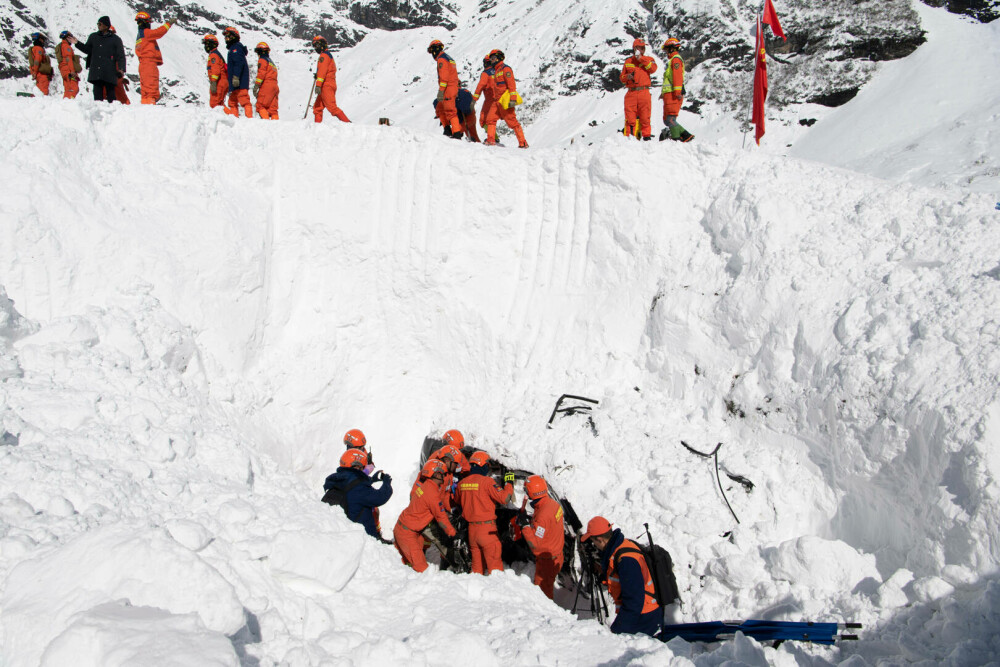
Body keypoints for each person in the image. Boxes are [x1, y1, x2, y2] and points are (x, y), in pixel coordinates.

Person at [581, 516, 662, 637]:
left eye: (593, 542)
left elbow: (634, 600)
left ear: (600, 540)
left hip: (643, 617)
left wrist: (619, 628)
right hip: (640, 613)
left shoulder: (625, 559)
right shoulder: (620, 547)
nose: (594, 545)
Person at [456, 450, 514, 574]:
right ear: (483, 465)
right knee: (495, 571)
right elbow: (505, 498)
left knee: (477, 570)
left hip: (472, 532)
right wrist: (509, 482)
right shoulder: (487, 482)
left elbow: (456, 501)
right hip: (487, 531)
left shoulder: (462, 484)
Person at [394, 459, 457, 572]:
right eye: (442, 474)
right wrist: (453, 533)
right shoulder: (432, 493)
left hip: (406, 528)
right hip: (407, 533)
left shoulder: (425, 486)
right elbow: (441, 518)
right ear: (436, 474)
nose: (444, 476)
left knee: (410, 565)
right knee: (422, 570)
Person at [323, 449, 393, 541]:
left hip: (344, 530)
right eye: (362, 467)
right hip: (363, 538)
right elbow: (379, 497)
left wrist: (371, 479)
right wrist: (387, 483)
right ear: (357, 466)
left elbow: (353, 484)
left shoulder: (338, 479)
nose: (364, 469)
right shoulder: (359, 487)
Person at [519, 475, 565, 599]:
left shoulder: (543, 515)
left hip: (547, 562)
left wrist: (524, 526)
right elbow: (548, 527)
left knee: (542, 595)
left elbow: (535, 546)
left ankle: (548, 616)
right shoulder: (553, 504)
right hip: (557, 554)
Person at [69, 16, 127, 103]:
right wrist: (77, 43)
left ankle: (113, 114)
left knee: (111, 96)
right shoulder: (93, 37)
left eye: (100, 24)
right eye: (98, 24)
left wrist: (121, 69)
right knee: (97, 97)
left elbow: (121, 56)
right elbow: (87, 50)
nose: (98, 26)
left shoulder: (116, 39)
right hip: (97, 71)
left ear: (106, 26)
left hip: (110, 72)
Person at [486, 49, 528, 148]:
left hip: (505, 101)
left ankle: (523, 143)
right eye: (490, 58)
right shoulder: (496, 71)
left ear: (499, 58)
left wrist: (513, 99)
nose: (491, 60)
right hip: (496, 101)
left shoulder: (506, 69)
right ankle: (490, 140)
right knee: (490, 119)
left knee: (512, 121)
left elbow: (511, 85)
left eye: (493, 58)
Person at [620, 38, 657, 140]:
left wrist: (641, 58)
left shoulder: (648, 59)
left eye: (643, 47)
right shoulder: (628, 61)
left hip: (644, 92)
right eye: (640, 47)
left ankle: (646, 138)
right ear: (635, 48)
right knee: (630, 118)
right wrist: (627, 77)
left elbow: (653, 69)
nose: (642, 49)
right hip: (631, 93)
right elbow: (621, 78)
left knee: (645, 117)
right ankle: (630, 139)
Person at [134, 11, 173, 104]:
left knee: (145, 90)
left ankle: (146, 107)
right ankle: (151, 106)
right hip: (149, 64)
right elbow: (159, 32)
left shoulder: (140, 35)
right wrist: (169, 23)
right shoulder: (146, 33)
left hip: (143, 64)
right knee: (151, 87)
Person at [659, 38, 693, 142]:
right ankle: (686, 136)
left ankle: (676, 140)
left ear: (671, 49)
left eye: (666, 50)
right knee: (667, 119)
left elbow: (677, 77)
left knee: (670, 119)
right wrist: (663, 93)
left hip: (673, 95)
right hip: (669, 95)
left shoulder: (676, 60)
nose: (665, 52)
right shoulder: (672, 61)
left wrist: (677, 92)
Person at [427, 40, 462, 139]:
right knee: (440, 108)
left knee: (451, 111)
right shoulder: (449, 58)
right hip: (452, 87)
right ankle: (447, 129)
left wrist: (441, 91)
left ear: (434, 50)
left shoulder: (442, 60)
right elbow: (453, 74)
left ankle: (456, 133)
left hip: (448, 89)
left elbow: (444, 77)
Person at [312, 36, 350, 124]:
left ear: (322, 44)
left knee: (332, 107)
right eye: (314, 46)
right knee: (317, 107)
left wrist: (318, 84)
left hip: (326, 85)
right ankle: (317, 127)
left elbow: (322, 71)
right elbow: (326, 70)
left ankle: (348, 124)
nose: (315, 48)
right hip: (326, 84)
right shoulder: (327, 55)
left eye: (316, 45)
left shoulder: (324, 56)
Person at [224, 27, 252, 117]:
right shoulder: (233, 48)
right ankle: (235, 120)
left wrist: (236, 77)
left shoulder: (236, 48)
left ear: (233, 36)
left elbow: (238, 63)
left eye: (228, 36)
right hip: (235, 82)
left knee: (244, 100)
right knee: (232, 102)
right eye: (225, 37)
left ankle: (250, 119)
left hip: (240, 82)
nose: (226, 39)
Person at [202, 34, 229, 111]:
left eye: (206, 44)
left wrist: (213, 83)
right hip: (221, 81)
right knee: (219, 105)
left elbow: (215, 70)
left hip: (219, 82)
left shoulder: (214, 55)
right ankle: (230, 119)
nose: (205, 46)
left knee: (215, 105)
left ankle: (232, 119)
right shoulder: (215, 54)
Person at [253, 42, 279, 120]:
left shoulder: (262, 60)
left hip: (266, 85)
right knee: (273, 110)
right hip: (275, 86)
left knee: (260, 105)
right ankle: (276, 125)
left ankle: (266, 124)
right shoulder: (271, 62)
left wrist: (256, 86)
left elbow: (261, 74)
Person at [473, 55, 496, 135]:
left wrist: (474, 100)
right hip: (500, 98)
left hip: (490, 99)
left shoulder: (486, 73)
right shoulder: (497, 71)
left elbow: (480, 86)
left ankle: (492, 137)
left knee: (484, 120)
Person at [56, 31, 81, 99]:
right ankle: (69, 102)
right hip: (69, 70)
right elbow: (68, 59)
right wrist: (72, 71)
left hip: (64, 71)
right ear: (67, 37)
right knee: (74, 88)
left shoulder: (61, 46)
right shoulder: (67, 47)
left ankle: (66, 103)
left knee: (68, 89)